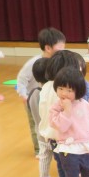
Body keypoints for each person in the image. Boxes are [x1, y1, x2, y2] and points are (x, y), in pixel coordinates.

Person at [39, 50, 88, 177]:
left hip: (50, 134)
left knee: (61, 162)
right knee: (68, 164)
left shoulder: (47, 86)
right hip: (63, 137)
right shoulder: (64, 93)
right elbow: (71, 116)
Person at [17, 28, 66, 157]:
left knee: (51, 121)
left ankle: (54, 145)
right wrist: (23, 95)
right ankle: (39, 150)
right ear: (48, 48)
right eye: (60, 47)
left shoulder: (59, 62)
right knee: (37, 124)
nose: (63, 50)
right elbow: (21, 79)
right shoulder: (34, 63)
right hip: (34, 98)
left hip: (49, 97)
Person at [26, 58, 53, 177]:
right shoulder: (51, 94)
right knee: (61, 160)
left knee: (44, 157)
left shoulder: (32, 93)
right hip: (53, 134)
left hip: (40, 134)